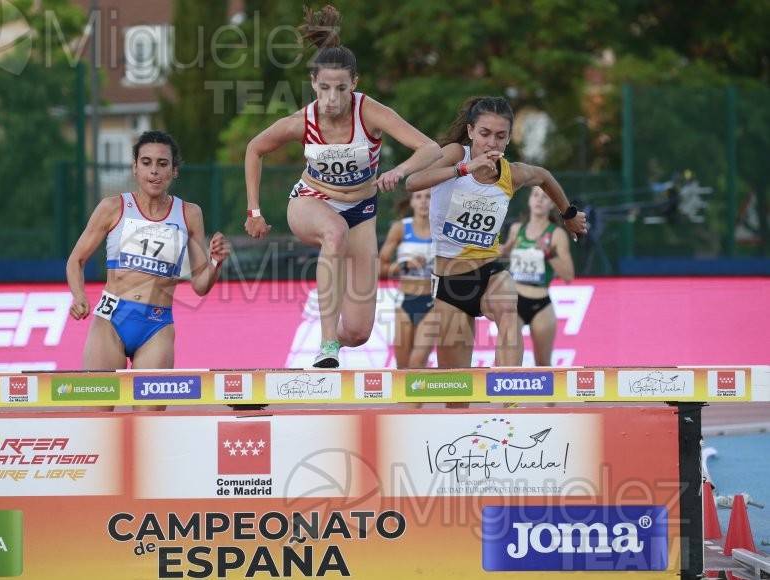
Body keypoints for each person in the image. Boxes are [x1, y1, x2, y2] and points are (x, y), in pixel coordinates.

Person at [243, 5, 441, 368]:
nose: (332, 99)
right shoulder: (302, 121)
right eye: (324, 89)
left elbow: (430, 148)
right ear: (313, 84)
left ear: (355, 84)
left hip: (361, 212)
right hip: (311, 201)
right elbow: (255, 148)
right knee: (334, 232)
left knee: (359, 331)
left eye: (341, 89)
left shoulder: (371, 113)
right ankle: (327, 345)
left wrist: (399, 171)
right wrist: (254, 210)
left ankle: (333, 336)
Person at [404, 96, 587, 377]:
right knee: (456, 386)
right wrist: (465, 169)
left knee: (507, 308)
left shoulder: (510, 175)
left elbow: (543, 176)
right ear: (470, 131)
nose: (492, 143)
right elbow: (412, 182)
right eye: (485, 134)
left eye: (501, 136)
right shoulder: (456, 154)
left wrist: (569, 214)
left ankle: (507, 390)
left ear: (509, 138)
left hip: (489, 272)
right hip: (450, 283)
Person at [66, 130, 230, 409]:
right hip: (110, 321)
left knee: (149, 422)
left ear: (174, 170)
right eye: (146, 162)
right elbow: (76, 260)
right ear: (135, 167)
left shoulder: (189, 213)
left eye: (162, 164)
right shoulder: (112, 207)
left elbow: (200, 285)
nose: (154, 171)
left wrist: (215, 262)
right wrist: (79, 295)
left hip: (156, 327)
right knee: (96, 416)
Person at [500, 185, 575, 366]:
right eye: (535, 195)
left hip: (540, 303)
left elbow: (568, 275)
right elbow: (505, 255)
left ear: (552, 204)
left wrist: (548, 252)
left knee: (543, 363)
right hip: (514, 300)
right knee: (508, 361)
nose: (539, 200)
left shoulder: (556, 234)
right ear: (529, 200)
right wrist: (504, 251)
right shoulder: (517, 229)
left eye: (545, 197)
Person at [378, 188, 436, 369]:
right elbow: (379, 268)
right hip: (405, 301)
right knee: (403, 367)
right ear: (411, 202)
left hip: (433, 302)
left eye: (428, 197)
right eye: (418, 197)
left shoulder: (442, 229)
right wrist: (405, 265)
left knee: (417, 362)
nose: (424, 201)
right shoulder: (401, 228)